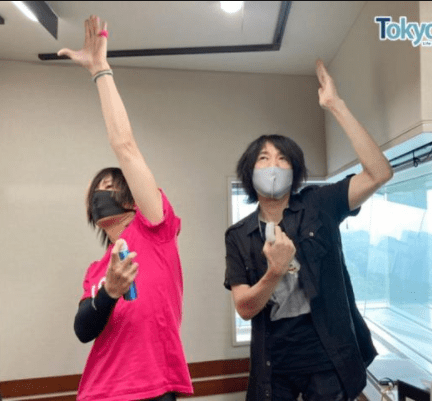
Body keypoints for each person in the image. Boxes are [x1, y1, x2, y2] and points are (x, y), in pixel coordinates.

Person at [224, 60, 394, 401]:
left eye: (282, 159)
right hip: (274, 367)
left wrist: (336, 105)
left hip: (330, 361)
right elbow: (244, 307)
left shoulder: (319, 204)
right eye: (263, 159)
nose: (273, 166)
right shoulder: (239, 235)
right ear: (249, 173)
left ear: (296, 170)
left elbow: (379, 173)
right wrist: (274, 271)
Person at [58, 15, 193, 401]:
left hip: (153, 389)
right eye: (94, 192)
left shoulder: (155, 229)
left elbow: (125, 145)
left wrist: (100, 71)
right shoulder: (97, 270)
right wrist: (109, 292)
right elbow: (83, 329)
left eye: (108, 186)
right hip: (98, 392)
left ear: (131, 199)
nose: (98, 195)